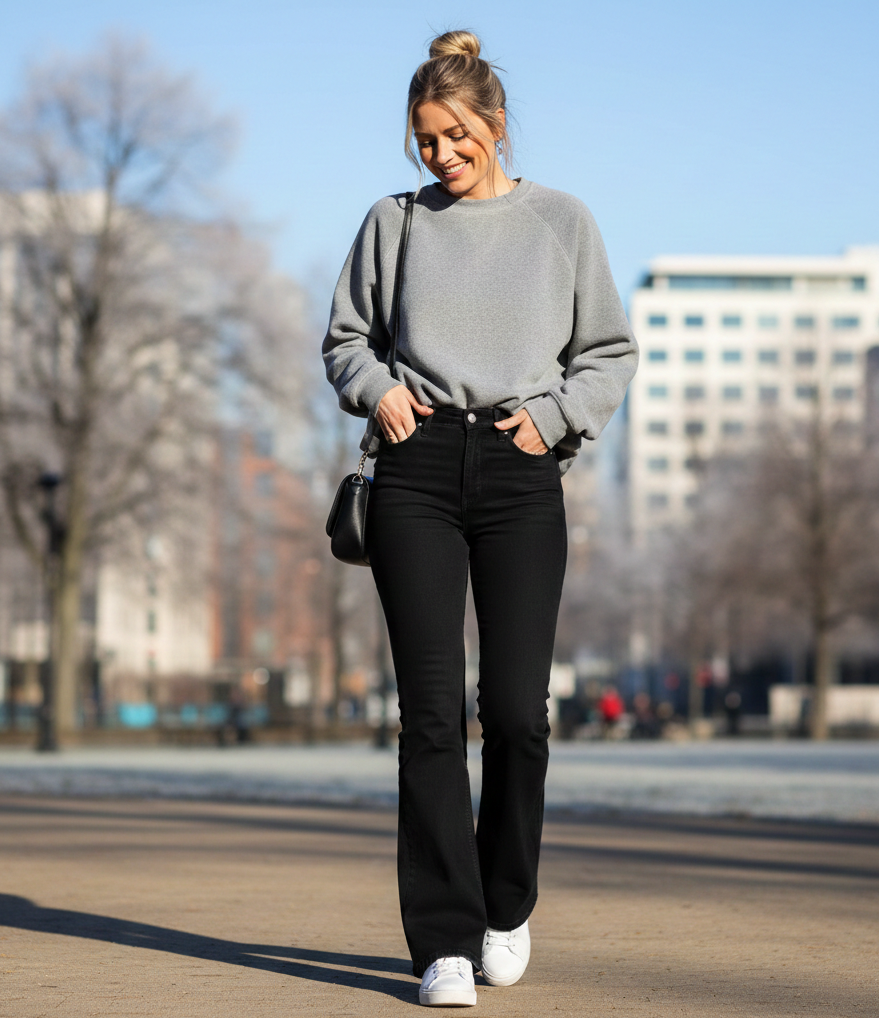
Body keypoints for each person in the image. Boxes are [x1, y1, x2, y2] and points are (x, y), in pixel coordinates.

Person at [323, 30, 637, 1007]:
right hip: (414, 469)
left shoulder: (561, 222)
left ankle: (505, 905)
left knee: (513, 711)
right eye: (424, 139)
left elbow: (608, 353)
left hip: (516, 467)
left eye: (455, 135)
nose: (439, 155)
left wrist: (550, 421)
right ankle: (443, 942)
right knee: (427, 717)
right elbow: (344, 338)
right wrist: (375, 391)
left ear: (494, 124)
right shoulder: (393, 223)